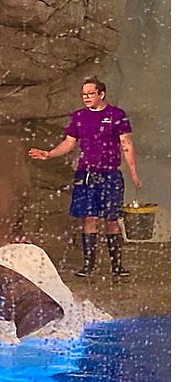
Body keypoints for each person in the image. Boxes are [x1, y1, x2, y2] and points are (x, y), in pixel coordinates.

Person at [28, 77, 141, 277]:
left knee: (112, 219)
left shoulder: (116, 115)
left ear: (101, 94)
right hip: (86, 174)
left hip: (109, 174)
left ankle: (117, 266)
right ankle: (89, 265)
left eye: (90, 94)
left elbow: (126, 144)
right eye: (84, 94)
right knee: (88, 218)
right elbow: (69, 143)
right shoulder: (79, 116)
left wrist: (133, 171)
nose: (86, 97)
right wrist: (49, 154)